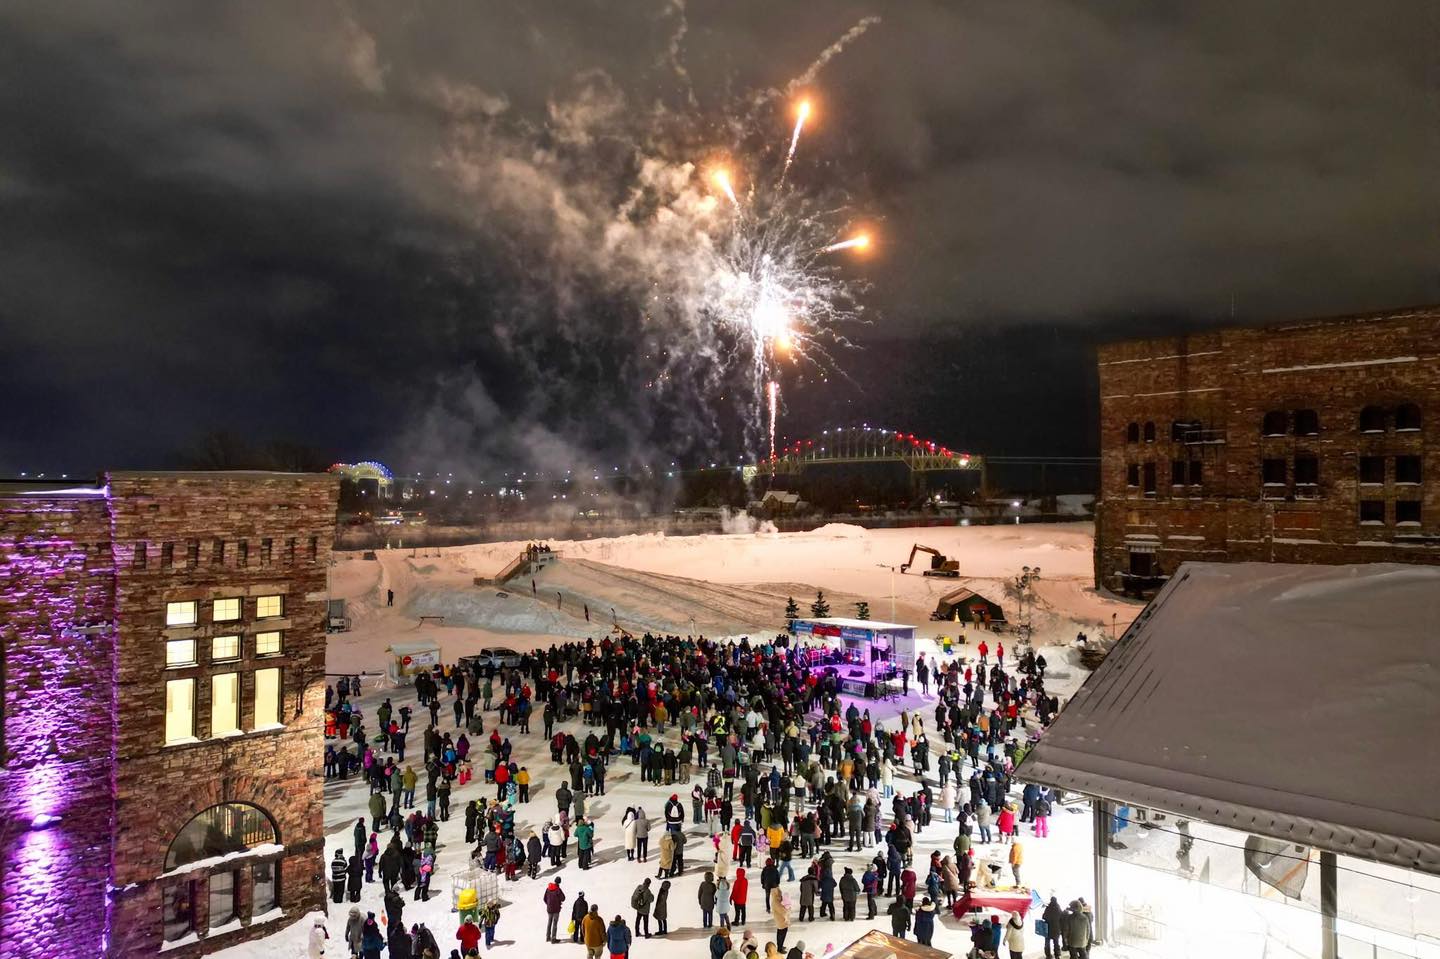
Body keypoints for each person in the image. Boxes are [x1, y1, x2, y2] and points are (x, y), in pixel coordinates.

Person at [543, 878, 566, 943]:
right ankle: (553, 939)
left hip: (549, 909)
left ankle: (548, 937)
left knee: (549, 922)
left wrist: (548, 904)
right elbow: (563, 898)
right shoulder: (558, 890)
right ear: (559, 882)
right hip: (556, 909)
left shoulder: (548, 889)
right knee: (555, 923)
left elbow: (544, 898)